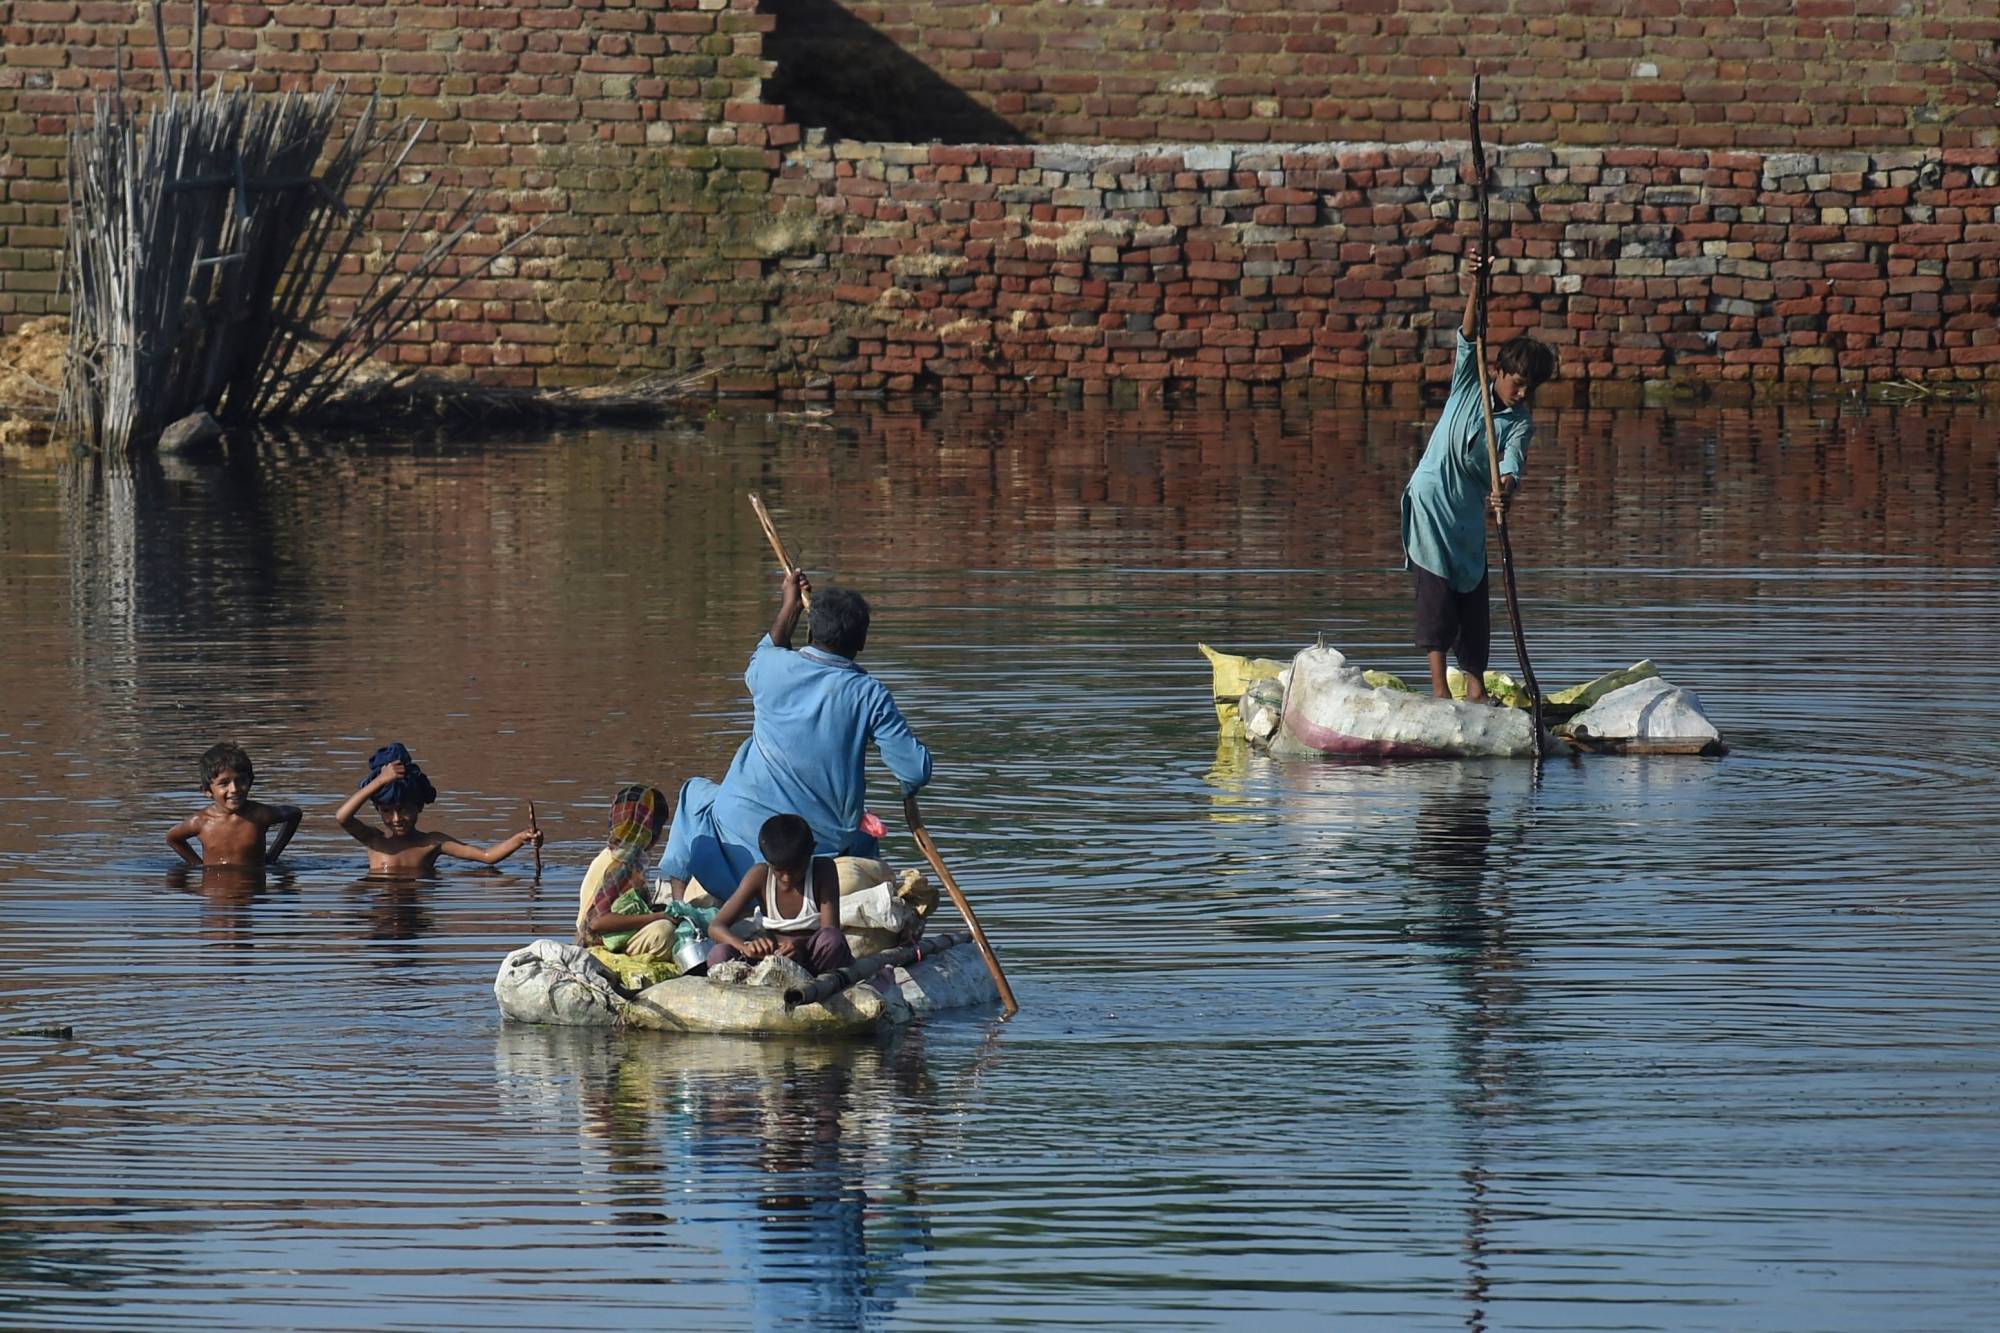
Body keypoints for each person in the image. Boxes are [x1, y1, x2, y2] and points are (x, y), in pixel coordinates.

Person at [658, 569, 932, 900]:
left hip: (739, 846)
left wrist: (790, 605)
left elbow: (771, 647)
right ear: (861, 642)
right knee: (862, 837)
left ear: (810, 629)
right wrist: (908, 785)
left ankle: (674, 898)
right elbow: (914, 770)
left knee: (693, 794)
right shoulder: (868, 694)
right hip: (815, 851)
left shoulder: (770, 668)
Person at [1401, 246, 1558, 701]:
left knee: (1472, 593)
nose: (1522, 392)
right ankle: (1438, 692)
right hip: (1431, 503)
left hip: (1468, 516)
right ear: (1499, 371)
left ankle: (1475, 688)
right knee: (1436, 595)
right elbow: (1469, 334)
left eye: (1530, 388)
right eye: (1516, 382)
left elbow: (1511, 465)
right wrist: (1477, 283)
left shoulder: (1520, 421)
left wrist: (1503, 493)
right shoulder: (1469, 381)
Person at [334, 742, 542, 875]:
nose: (397, 818)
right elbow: (342, 817)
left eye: (404, 809)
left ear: (419, 807)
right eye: (388, 811)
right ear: (378, 809)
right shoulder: (374, 840)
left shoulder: (431, 843)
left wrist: (521, 839)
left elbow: (486, 856)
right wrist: (379, 781)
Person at [706, 813, 856, 974]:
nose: (787, 878)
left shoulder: (823, 870)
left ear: (811, 851)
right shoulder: (760, 875)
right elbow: (716, 926)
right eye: (779, 870)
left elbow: (830, 929)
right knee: (719, 953)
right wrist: (746, 946)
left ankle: (818, 985)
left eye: (795, 869)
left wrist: (800, 946)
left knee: (832, 941)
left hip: (811, 959)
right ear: (767, 861)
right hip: (768, 960)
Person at [574, 784, 684, 957]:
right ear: (648, 831)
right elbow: (596, 922)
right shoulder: (621, 865)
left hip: (606, 938)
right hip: (598, 945)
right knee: (665, 932)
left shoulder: (611, 855)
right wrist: (656, 917)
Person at [166, 742, 302, 867]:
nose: (234, 789)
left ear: (250, 782)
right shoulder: (201, 822)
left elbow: (295, 814)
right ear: (207, 791)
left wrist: (273, 855)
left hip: (252, 891)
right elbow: (172, 838)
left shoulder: (260, 815)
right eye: (224, 783)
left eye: (241, 781)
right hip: (214, 890)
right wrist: (196, 864)